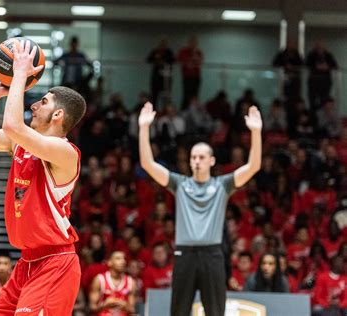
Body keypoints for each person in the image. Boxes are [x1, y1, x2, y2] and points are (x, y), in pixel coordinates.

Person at [0, 40, 86, 315]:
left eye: (44, 101)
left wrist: (21, 75)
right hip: (27, 261)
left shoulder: (65, 152)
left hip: (55, 263)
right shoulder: (20, 145)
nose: (35, 105)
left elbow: (12, 125)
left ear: (58, 115)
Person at [138, 102, 262, 316]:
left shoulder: (223, 184)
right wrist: (143, 128)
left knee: (215, 312)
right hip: (184, 254)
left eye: (201, 157)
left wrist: (256, 132)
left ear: (212, 161)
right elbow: (148, 164)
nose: (196, 161)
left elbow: (253, 167)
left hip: (212, 255)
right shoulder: (180, 183)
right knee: (179, 311)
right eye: (193, 157)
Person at [88, 251, 136, 315]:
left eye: (124, 259)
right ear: (109, 262)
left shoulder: (131, 282)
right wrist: (105, 305)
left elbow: (132, 310)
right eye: (118, 258)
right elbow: (92, 307)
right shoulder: (100, 280)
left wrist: (125, 306)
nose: (123, 261)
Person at [177, 36, 204, 106]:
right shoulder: (183, 51)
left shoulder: (198, 52)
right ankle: (185, 110)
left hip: (196, 76)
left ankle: (194, 109)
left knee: (195, 94)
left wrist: (194, 55)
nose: (193, 44)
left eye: (195, 43)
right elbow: (182, 62)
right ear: (189, 43)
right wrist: (190, 62)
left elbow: (200, 62)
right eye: (192, 43)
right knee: (186, 95)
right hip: (187, 76)